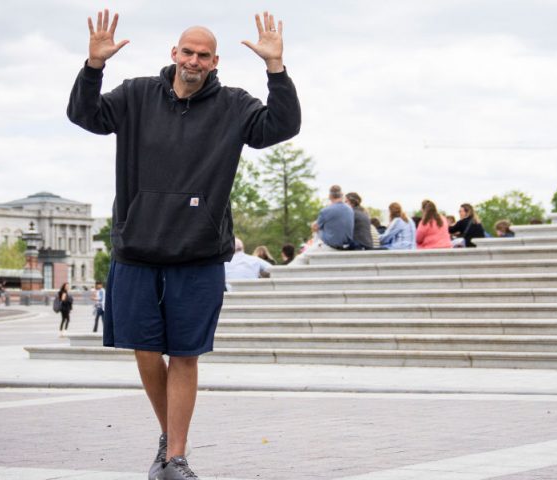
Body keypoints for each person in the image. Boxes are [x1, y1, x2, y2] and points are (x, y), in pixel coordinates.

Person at [67, 9, 300, 480]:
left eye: (203, 55)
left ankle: (175, 457)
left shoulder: (234, 106)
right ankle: (168, 436)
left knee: (185, 355)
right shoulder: (135, 95)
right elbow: (84, 114)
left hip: (197, 253)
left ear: (215, 63)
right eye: (187, 52)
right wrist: (93, 68)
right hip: (137, 248)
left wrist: (276, 69)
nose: (193, 61)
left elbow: (282, 125)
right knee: (146, 351)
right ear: (174, 54)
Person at [291, 185, 353, 264]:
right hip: (346, 246)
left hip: (330, 247)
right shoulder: (349, 209)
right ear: (342, 195)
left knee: (301, 258)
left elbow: (315, 227)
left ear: (330, 196)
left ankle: (284, 274)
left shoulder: (326, 210)